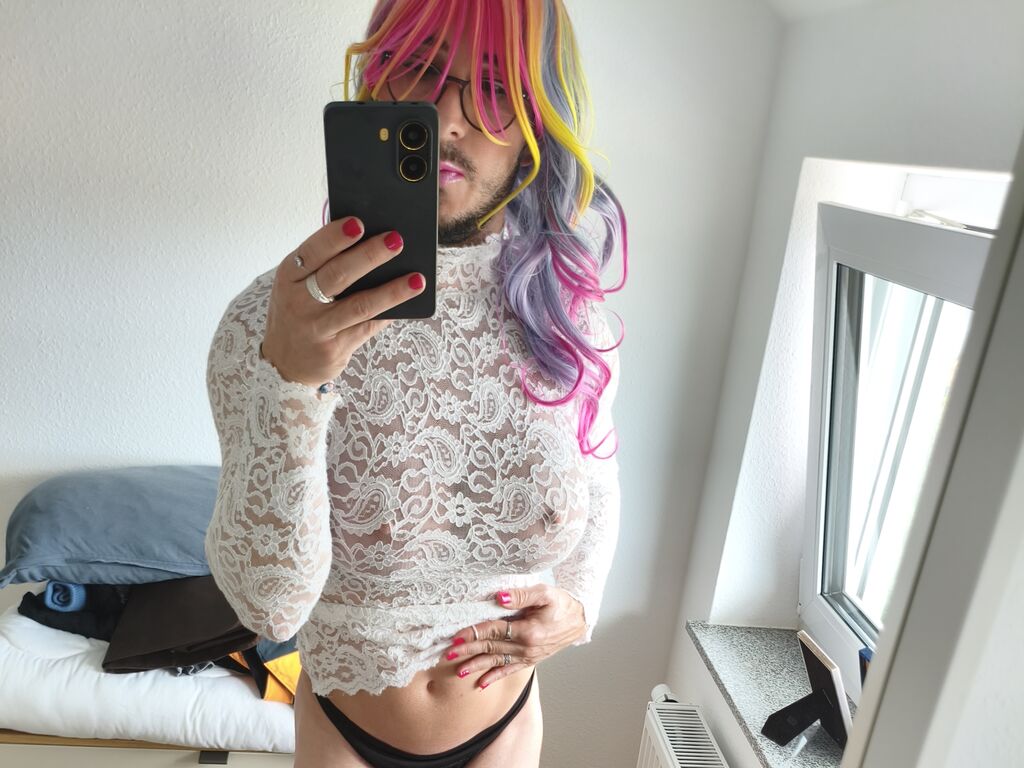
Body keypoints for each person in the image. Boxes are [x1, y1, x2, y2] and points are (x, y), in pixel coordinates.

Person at [204, 1, 628, 765]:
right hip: (343, 733)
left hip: (509, 729)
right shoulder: (267, 323)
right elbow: (269, 607)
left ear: (537, 122)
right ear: (376, 82)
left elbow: (598, 483)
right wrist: (292, 386)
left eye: (494, 87)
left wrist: (580, 606)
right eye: (421, 68)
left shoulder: (569, 321)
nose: (448, 118)